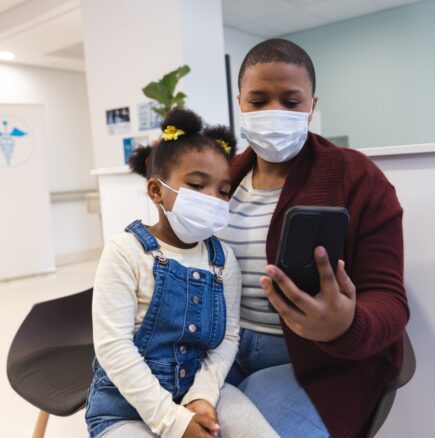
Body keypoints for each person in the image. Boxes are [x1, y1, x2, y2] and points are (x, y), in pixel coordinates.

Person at [218, 39, 410, 437]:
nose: (274, 113)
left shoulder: (357, 177)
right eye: (258, 100)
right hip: (222, 352)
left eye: (291, 102)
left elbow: (389, 300)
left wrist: (345, 324)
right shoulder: (221, 179)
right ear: (240, 103)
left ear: (312, 104)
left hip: (318, 362)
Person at [85, 108, 278, 438]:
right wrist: (174, 422)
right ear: (156, 191)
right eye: (197, 185)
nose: (213, 199)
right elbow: (113, 347)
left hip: (200, 391)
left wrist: (202, 396)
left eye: (223, 191)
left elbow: (227, 338)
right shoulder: (125, 252)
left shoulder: (223, 260)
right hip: (124, 406)